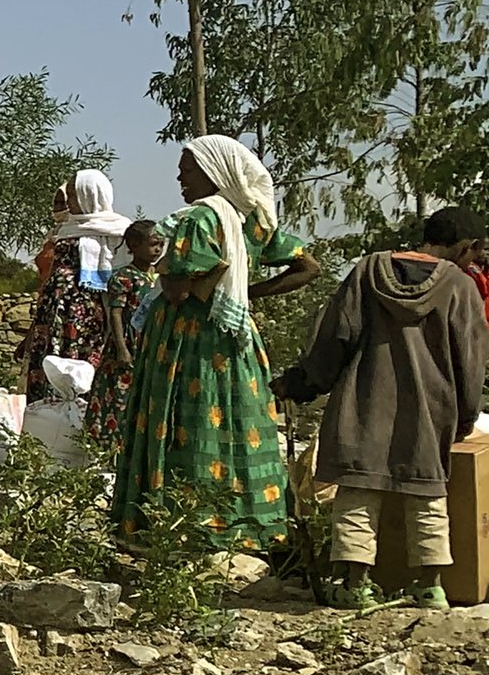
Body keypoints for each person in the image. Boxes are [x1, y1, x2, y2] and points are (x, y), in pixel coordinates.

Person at [110, 136, 323, 550]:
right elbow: (309, 266)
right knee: (238, 420)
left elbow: (174, 289)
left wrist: (181, 278)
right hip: (236, 339)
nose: (179, 177)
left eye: (187, 169)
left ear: (215, 173)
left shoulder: (197, 220)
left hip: (187, 342)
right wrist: (247, 293)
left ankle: (178, 527)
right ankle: (249, 525)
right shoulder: (253, 220)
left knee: (182, 422)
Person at [274, 208, 489, 609]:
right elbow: (472, 362)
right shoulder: (461, 287)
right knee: (427, 494)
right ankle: (431, 586)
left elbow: (335, 337)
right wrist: (464, 417)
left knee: (357, 491)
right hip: (431, 410)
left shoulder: (367, 272)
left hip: (363, 400)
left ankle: (355, 585)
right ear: (467, 247)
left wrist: (303, 384)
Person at [19, 168, 132, 398]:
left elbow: (122, 278)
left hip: (88, 319)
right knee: (48, 367)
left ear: (89, 194)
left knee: (80, 371)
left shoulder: (117, 231)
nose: (69, 202)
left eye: (73, 195)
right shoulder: (65, 230)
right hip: (53, 315)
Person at [88, 217, 168, 446]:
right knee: (119, 398)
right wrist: (122, 348)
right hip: (128, 345)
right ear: (133, 246)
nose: (157, 250)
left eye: (161, 244)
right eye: (153, 244)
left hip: (152, 345)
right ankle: (110, 447)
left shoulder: (162, 278)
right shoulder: (124, 277)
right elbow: (115, 313)